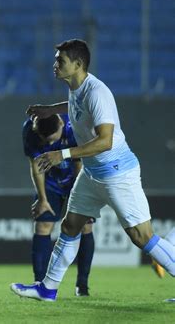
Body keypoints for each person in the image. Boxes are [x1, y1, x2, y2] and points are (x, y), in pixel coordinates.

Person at [10, 39, 175, 302]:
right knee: (70, 225)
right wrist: (48, 109)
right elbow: (75, 108)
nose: (55, 64)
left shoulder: (97, 92)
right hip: (92, 173)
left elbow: (105, 141)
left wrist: (61, 154)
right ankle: (48, 289)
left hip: (117, 172)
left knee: (141, 236)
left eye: (60, 60)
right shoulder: (77, 88)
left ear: (77, 64)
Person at [23, 114, 94, 296]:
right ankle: (39, 282)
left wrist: (78, 195)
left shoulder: (74, 127)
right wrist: (42, 199)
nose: (48, 144)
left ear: (61, 124)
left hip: (78, 179)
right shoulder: (30, 130)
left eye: (52, 140)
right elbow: (36, 165)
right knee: (43, 225)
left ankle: (82, 285)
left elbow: (79, 163)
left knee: (85, 227)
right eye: (43, 140)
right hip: (51, 182)